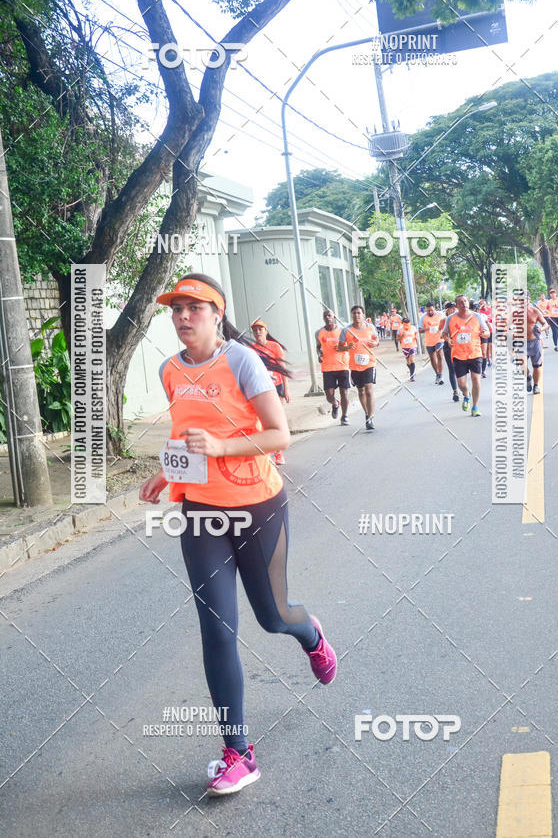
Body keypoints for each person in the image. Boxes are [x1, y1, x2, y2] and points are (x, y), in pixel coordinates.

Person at [139, 274, 337, 797]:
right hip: (202, 513)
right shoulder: (169, 370)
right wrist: (170, 470)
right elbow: (185, 434)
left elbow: (279, 434)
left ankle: (311, 634)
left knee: (274, 616)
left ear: (215, 312)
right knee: (217, 629)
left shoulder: (242, 361)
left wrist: (222, 449)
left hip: (258, 506)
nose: (183, 316)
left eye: (194, 308)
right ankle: (238, 752)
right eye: (176, 308)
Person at [442, 294, 490, 417]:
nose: (464, 304)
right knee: (461, 384)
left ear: (468, 303)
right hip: (458, 355)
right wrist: (448, 340)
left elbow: (487, 332)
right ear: (457, 305)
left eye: (465, 301)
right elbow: (444, 334)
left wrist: (484, 334)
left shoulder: (477, 316)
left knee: (476, 379)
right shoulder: (450, 319)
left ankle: (475, 407)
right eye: (461, 302)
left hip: (475, 352)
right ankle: (466, 395)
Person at [250, 320, 289, 464]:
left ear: (266, 331)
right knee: (262, 422)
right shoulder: (251, 349)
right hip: (261, 389)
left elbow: (282, 368)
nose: (258, 332)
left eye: (261, 329)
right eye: (255, 330)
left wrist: (286, 389)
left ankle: (279, 454)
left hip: (277, 387)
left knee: (275, 420)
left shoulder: (275, 347)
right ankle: (268, 451)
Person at [337, 305, 379, 429]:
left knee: (369, 389)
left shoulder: (370, 327)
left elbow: (377, 340)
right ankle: (366, 413)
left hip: (369, 363)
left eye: (359, 313)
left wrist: (375, 343)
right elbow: (339, 347)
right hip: (355, 366)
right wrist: (346, 347)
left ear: (363, 315)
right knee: (361, 390)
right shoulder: (346, 330)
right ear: (352, 315)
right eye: (354, 313)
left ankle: (370, 418)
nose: (357, 315)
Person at [315, 309, 351, 425]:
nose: (327, 317)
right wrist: (319, 355)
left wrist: (344, 348)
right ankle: (335, 403)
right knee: (329, 395)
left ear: (334, 317)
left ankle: (344, 416)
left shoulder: (342, 331)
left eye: (329, 315)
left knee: (344, 393)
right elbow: (318, 347)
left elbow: (349, 346)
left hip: (342, 366)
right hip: (327, 368)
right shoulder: (319, 332)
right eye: (325, 316)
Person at [525, 298, 549, 394]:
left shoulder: (535, 311)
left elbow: (546, 324)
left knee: (536, 366)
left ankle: (536, 385)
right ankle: (528, 377)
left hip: (534, 341)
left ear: (528, 299)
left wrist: (541, 329)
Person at [419, 302, 445, 384]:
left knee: (440, 356)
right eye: (428, 311)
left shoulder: (440, 315)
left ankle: (440, 375)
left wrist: (441, 328)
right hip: (429, 341)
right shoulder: (423, 317)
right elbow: (419, 330)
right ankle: (437, 373)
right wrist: (426, 329)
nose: (430, 312)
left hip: (439, 339)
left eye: (431, 310)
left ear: (434, 309)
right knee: (433, 359)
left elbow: (446, 323)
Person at [442, 301, 460, 402]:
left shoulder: (460, 319)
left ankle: (463, 389)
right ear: (447, 310)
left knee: (460, 369)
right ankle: (455, 391)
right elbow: (441, 334)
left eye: (454, 308)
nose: (453, 310)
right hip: (448, 347)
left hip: (460, 347)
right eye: (451, 309)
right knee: (452, 369)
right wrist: (447, 338)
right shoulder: (444, 320)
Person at [399, 316, 418, 381]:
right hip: (404, 347)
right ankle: (411, 370)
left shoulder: (413, 328)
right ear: (403, 323)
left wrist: (416, 342)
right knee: (408, 362)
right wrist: (402, 336)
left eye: (408, 323)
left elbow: (416, 335)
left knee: (412, 359)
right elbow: (397, 339)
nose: (407, 325)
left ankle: (412, 376)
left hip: (412, 345)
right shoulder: (400, 329)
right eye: (405, 323)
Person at [478, 298, 494, 376]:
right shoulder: (479, 312)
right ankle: (487, 359)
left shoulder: (490, 310)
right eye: (481, 304)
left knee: (490, 346)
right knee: (483, 351)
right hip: (478, 335)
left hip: (489, 331)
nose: (482, 306)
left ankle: (490, 359)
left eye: (483, 304)